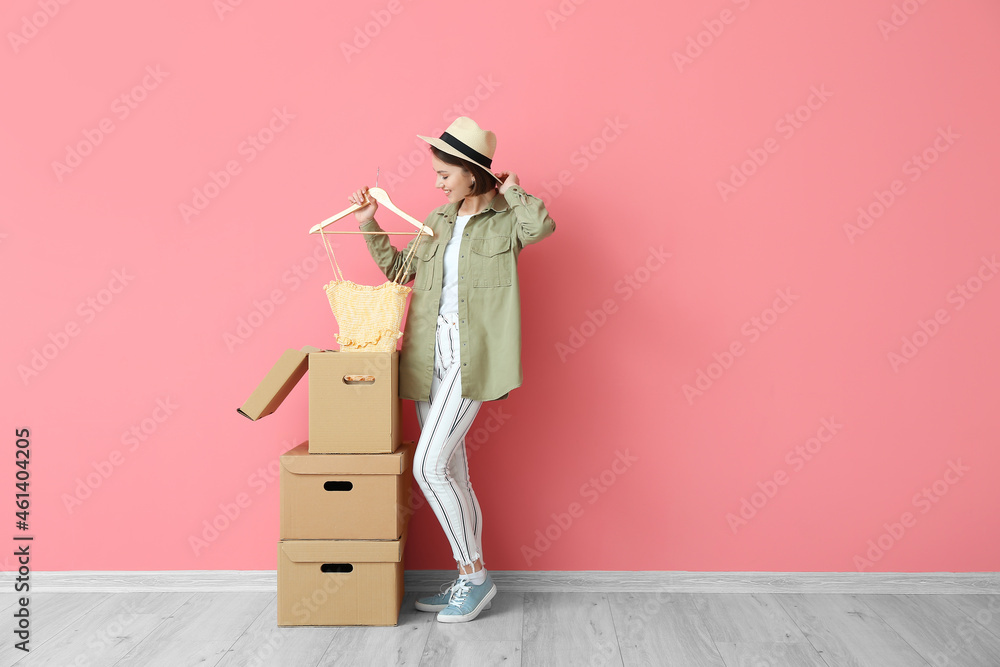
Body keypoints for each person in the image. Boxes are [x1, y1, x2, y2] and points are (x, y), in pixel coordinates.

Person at [346, 116, 555, 623]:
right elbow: (401, 271)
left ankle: (476, 578)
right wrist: (369, 222)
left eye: (445, 173)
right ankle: (468, 579)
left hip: (473, 354)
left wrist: (516, 191)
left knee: (428, 466)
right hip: (428, 353)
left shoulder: (508, 218)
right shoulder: (438, 220)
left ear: (471, 172)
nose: (437, 182)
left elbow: (541, 227)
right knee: (454, 470)